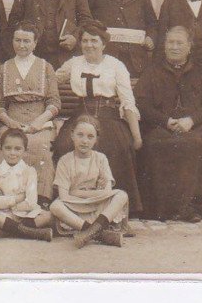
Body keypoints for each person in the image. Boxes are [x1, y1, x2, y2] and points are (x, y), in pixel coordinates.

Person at [54, 20, 143, 215]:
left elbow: (127, 101)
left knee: (118, 147)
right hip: (81, 116)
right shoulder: (74, 63)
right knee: (63, 146)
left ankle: (114, 208)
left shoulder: (116, 65)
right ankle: (71, 203)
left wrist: (136, 136)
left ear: (104, 44)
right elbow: (51, 79)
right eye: (84, 41)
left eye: (94, 41)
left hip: (109, 116)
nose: (89, 45)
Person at [134, 26, 202, 222]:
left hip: (192, 127)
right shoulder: (152, 71)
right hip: (160, 127)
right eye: (170, 42)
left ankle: (190, 208)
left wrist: (191, 120)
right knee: (156, 144)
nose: (174, 47)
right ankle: (159, 209)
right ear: (164, 46)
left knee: (195, 145)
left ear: (189, 47)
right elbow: (142, 103)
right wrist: (165, 121)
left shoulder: (200, 72)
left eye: (179, 43)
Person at [0, 21, 61, 210]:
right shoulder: (4, 68)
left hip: (39, 121)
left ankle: (41, 199)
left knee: (39, 145)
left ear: (35, 43)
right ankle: (6, 197)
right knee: (7, 145)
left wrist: (37, 124)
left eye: (26, 41)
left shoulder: (45, 67)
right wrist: (12, 123)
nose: (21, 45)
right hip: (12, 121)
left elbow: (54, 103)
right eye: (17, 40)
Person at [50, 115, 128, 248]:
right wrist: (86, 194)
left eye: (90, 137)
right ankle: (98, 233)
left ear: (96, 139)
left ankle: (90, 231)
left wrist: (76, 191)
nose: (84, 141)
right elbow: (64, 196)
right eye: (80, 135)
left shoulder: (100, 158)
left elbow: (106, 191)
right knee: (55, 207)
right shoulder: (65, 161)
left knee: (121, 195)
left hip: (97, 205)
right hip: (74, 206)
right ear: (72, 135)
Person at [86, 0, 157, 77]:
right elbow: (86, 23)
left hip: (136, 61)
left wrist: (150, 38)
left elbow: (152, 23)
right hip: (105, 58)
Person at [0, 129, 54, 242]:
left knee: (48, 216)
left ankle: (4, 231)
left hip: (26, 214)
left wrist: (12, 206)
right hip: (4, 214)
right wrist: (17, 199)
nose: (12, 153)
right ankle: (34, 233)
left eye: (17, 149)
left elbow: (31, 202)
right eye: (8, 148)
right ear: (1, 148)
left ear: (25, 151)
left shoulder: (29, 171)